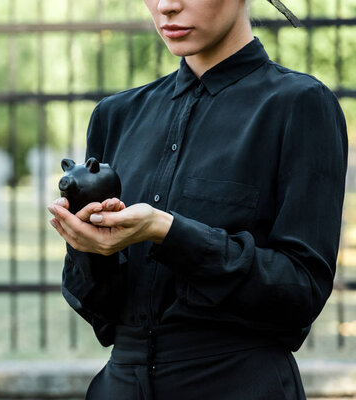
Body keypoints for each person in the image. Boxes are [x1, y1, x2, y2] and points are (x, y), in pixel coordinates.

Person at [46, 0, 348, 399]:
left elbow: (300, 291)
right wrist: (88, 249)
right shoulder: (116, 115)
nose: (167, 6)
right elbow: (101, 312)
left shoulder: (299, 105)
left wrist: (168, 232)